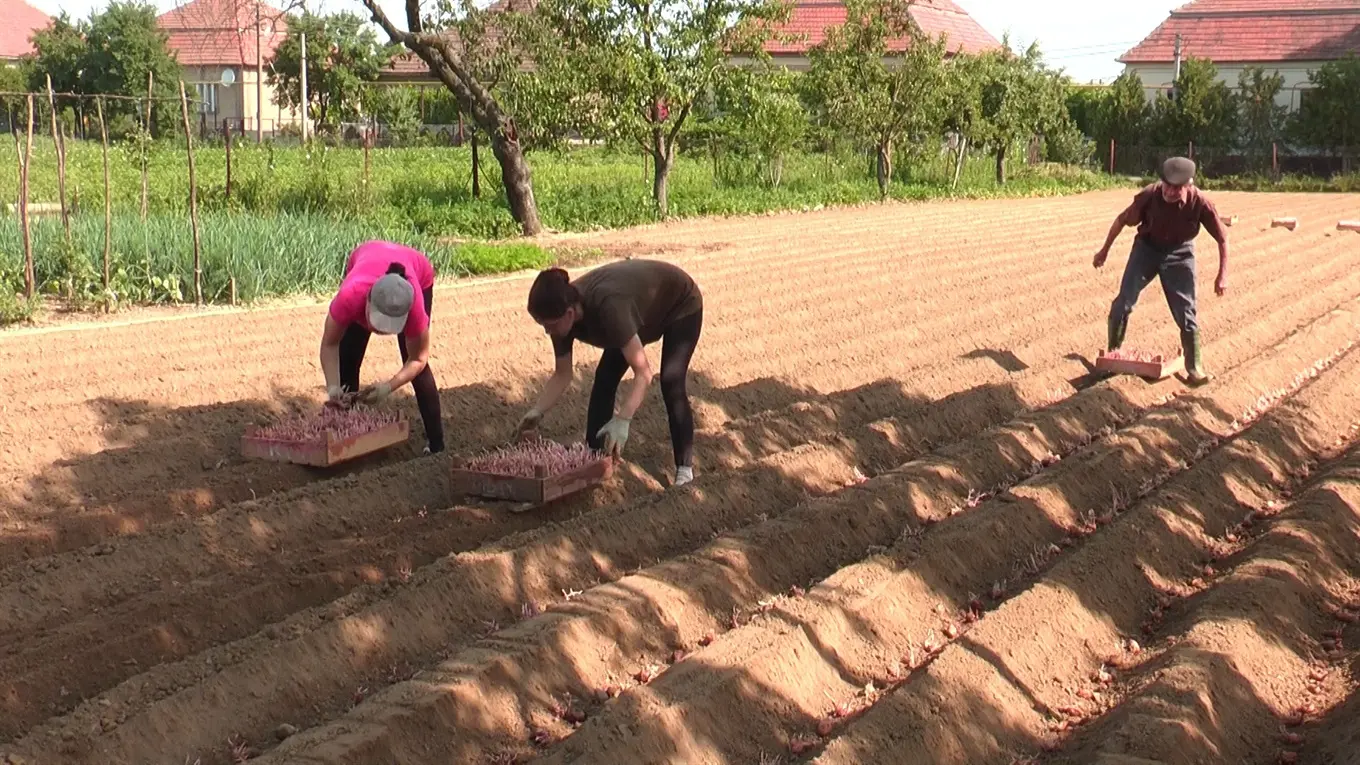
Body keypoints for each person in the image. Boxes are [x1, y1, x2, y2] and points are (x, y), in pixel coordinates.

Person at [518, 259, 704, 487]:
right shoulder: (561, 314)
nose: (548, 331)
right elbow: (562, 374)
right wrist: (538, 410)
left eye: (550, 325)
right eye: (542, 325)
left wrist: (623, 419)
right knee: (605, 378)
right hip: (639, 311)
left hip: (679, 305)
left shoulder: (609, 308)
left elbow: (643, 373)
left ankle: (684, 470)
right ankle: (593, 459)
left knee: (671, 381)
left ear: (569, 313)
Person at [1094, 156, 1228, 385]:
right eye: (1167, 184)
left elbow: (1222, 239)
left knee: (1186, 312)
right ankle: (1113, 355)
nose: (1169, 191)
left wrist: (1222, 275)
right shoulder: (1149, 195)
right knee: (1123, 302)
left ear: (1189, 185)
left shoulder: (1200, 203)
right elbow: (1120, 220)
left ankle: (1195, 368)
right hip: (1147, 249)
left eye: (1176, 188)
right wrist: (1104, 251)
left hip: (1180, 253)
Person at [319, 240, 445, 454]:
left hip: (418, 271)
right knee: (349, 356)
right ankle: (343, 436)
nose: (380, 332)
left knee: (417, 369)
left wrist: (388, 387)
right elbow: (330, 344)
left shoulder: (413, 307)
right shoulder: (350, 296)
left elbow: (418, 359)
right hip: (365, 256)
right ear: (367, 301)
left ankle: (436, 444)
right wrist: (333, 387)